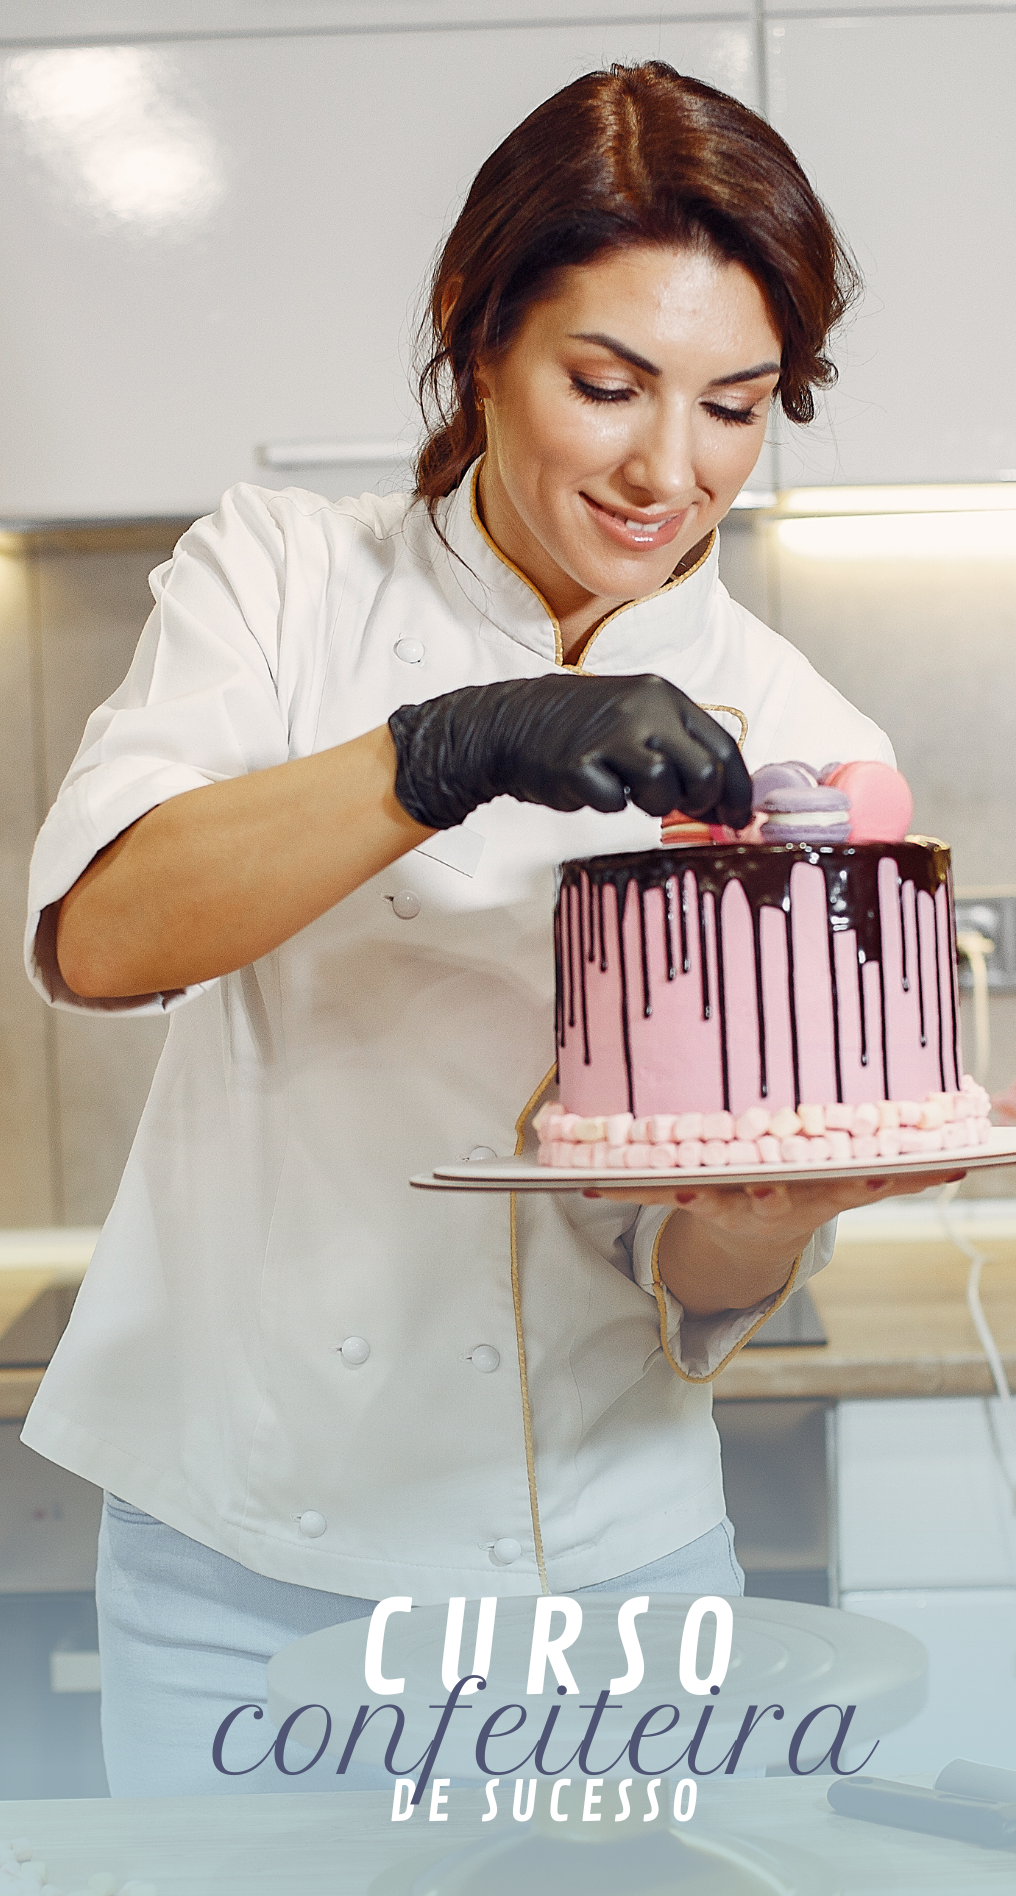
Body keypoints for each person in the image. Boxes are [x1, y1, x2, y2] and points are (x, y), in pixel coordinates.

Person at [22, 61, 958, 1796]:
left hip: (615, 1574)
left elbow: (685, 1271)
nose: (668, 470)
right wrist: (443, 749)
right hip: (245, 1552)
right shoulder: (284, 573)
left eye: (737, 406)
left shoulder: (798, 732)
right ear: (477, 332)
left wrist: (771, 1222)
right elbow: (105, 937)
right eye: (608, 385)